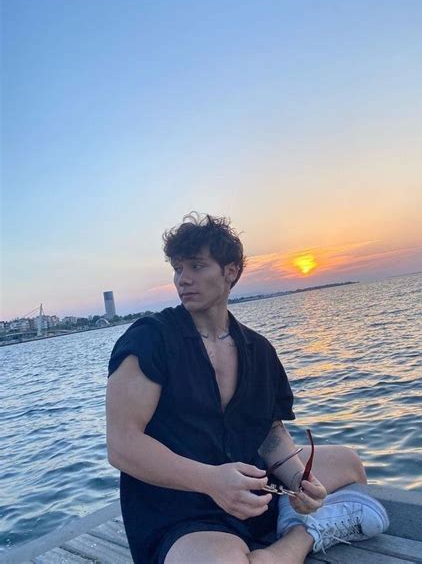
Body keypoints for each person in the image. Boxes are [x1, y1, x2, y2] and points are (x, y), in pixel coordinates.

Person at [106, 213, 389, 564]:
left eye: (197, 266)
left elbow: (270, 435)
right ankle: (305, 534)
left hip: (251, 488)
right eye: (178, 268)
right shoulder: (150, 339)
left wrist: (299, 481)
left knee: (348, 463)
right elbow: (122, 445)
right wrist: (211, 481)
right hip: (179, 510)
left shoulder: (259, 351)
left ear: (231, 271)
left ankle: (295, 513)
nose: (184, 280)